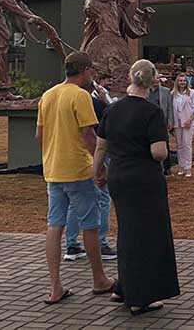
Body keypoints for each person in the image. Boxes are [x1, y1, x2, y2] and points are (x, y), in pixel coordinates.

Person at [94, 59, 179, 315]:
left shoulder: (113, 109)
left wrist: (97, 171)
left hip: (119, 175)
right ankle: (140, 297)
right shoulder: (152, 113)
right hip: (144, 179)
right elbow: (159, 153)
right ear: (153, 81)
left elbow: (100, 145)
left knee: (127, 231)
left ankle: (122, 286)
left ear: (131, 77)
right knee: (146, 235)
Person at [36, 51, 116, 304]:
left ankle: (55, 286)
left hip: (53, 170)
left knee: (54, 225)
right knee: (90, 225)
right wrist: (99, 167)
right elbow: (89, 135)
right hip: (78, 170)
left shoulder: (48, 95)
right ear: (86, 70)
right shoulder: (80, 96)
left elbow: (39, 136)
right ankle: (99, 279)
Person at [64, 80, 116, 262]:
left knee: (73, 202)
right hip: (92, 155)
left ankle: (72, 244)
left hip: (70, 157)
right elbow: (111, 119)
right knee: (102, 198)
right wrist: (106, 99)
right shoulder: (92, 103)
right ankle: (100, 243)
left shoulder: (58, 99)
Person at [171, 73, 194, 177]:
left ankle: (188, 168)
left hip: (188, 122)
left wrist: (190, 120)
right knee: (179, 145)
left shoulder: (191, 93)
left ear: (186, 82)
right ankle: (181, 166)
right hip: (177, 122)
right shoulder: (173, 93)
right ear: (177, 82)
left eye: (184, 81)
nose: (182, 82)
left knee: (187, 144)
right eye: (180, 81)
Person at [148, 76, 175, 176]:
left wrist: (170, 121)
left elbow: (169, 107)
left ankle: (167, 168)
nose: (156, 80)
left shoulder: (165, 91)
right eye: (154, 78)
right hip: (148, 122)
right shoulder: (145, 91)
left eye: (157, 79)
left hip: (162, 122)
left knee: (165, 145)